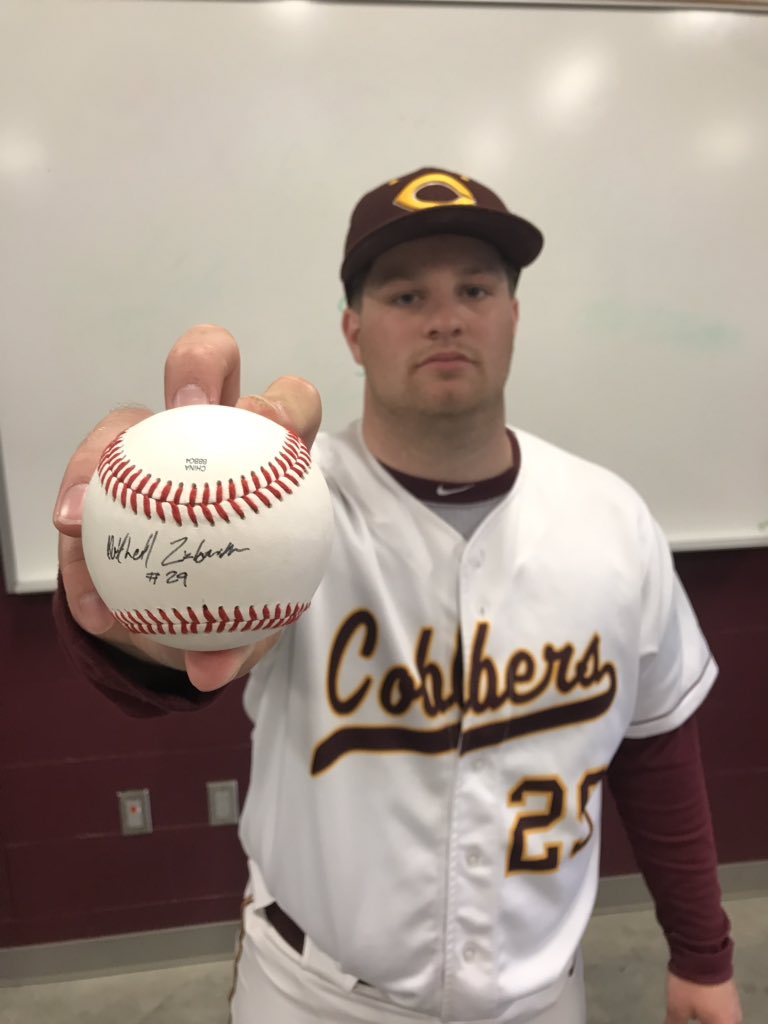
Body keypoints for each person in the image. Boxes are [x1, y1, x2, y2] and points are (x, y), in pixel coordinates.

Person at [53, 167, 742, 1024]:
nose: (446, 316)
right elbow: (163, 669)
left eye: (476, 288)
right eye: (406, 294)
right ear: (353, 331)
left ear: (514, 316)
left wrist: (703, 954)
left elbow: (654, 745)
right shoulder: (282, 520)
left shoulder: (612, 518)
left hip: (541, 997)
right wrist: (130, 627)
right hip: (315, 996)